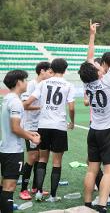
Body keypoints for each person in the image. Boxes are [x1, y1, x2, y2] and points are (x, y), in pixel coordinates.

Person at [79, 16, 110, 212]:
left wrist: (92, 36)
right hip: (109, 131)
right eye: (98, 66)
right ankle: (101, 205)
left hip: (94, 130)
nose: (99, 64)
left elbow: (88, 60)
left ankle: (87, 202)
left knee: (92, 169)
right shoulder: (108, 81)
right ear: (98, 72)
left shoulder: (87, 82)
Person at [24, 58, 75, 202]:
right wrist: (72, 122)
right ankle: (53, 196)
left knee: (42, 158)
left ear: (52, 68)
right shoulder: (68, 85)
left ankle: (39, 192)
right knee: (57, 161)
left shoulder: (43, 83)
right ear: (65, 70)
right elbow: (71, 107)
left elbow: (28, 102)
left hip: (43, 125)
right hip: (59, 125)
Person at [0, 70, 41, 213]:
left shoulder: (7, 98)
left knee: (4, 183)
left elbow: (13, 127)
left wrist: (28, 132)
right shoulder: (16, 102)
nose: (27, 83)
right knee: (9, 187)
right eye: (25, 80)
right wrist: (31, 138)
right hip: (13, 151)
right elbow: (15, 128)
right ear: (19, 82)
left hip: (5, 148)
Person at [19, 62, 51, 200]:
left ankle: (36, 187)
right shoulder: (32, 84)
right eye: (49, 72)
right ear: (42, 71)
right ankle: (23, 189)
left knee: (40, 156)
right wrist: (40, 108)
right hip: (30, 126)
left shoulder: (45, 85)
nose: (50, 74)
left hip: (41, 125)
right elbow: (24, 106)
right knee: (32, 157)